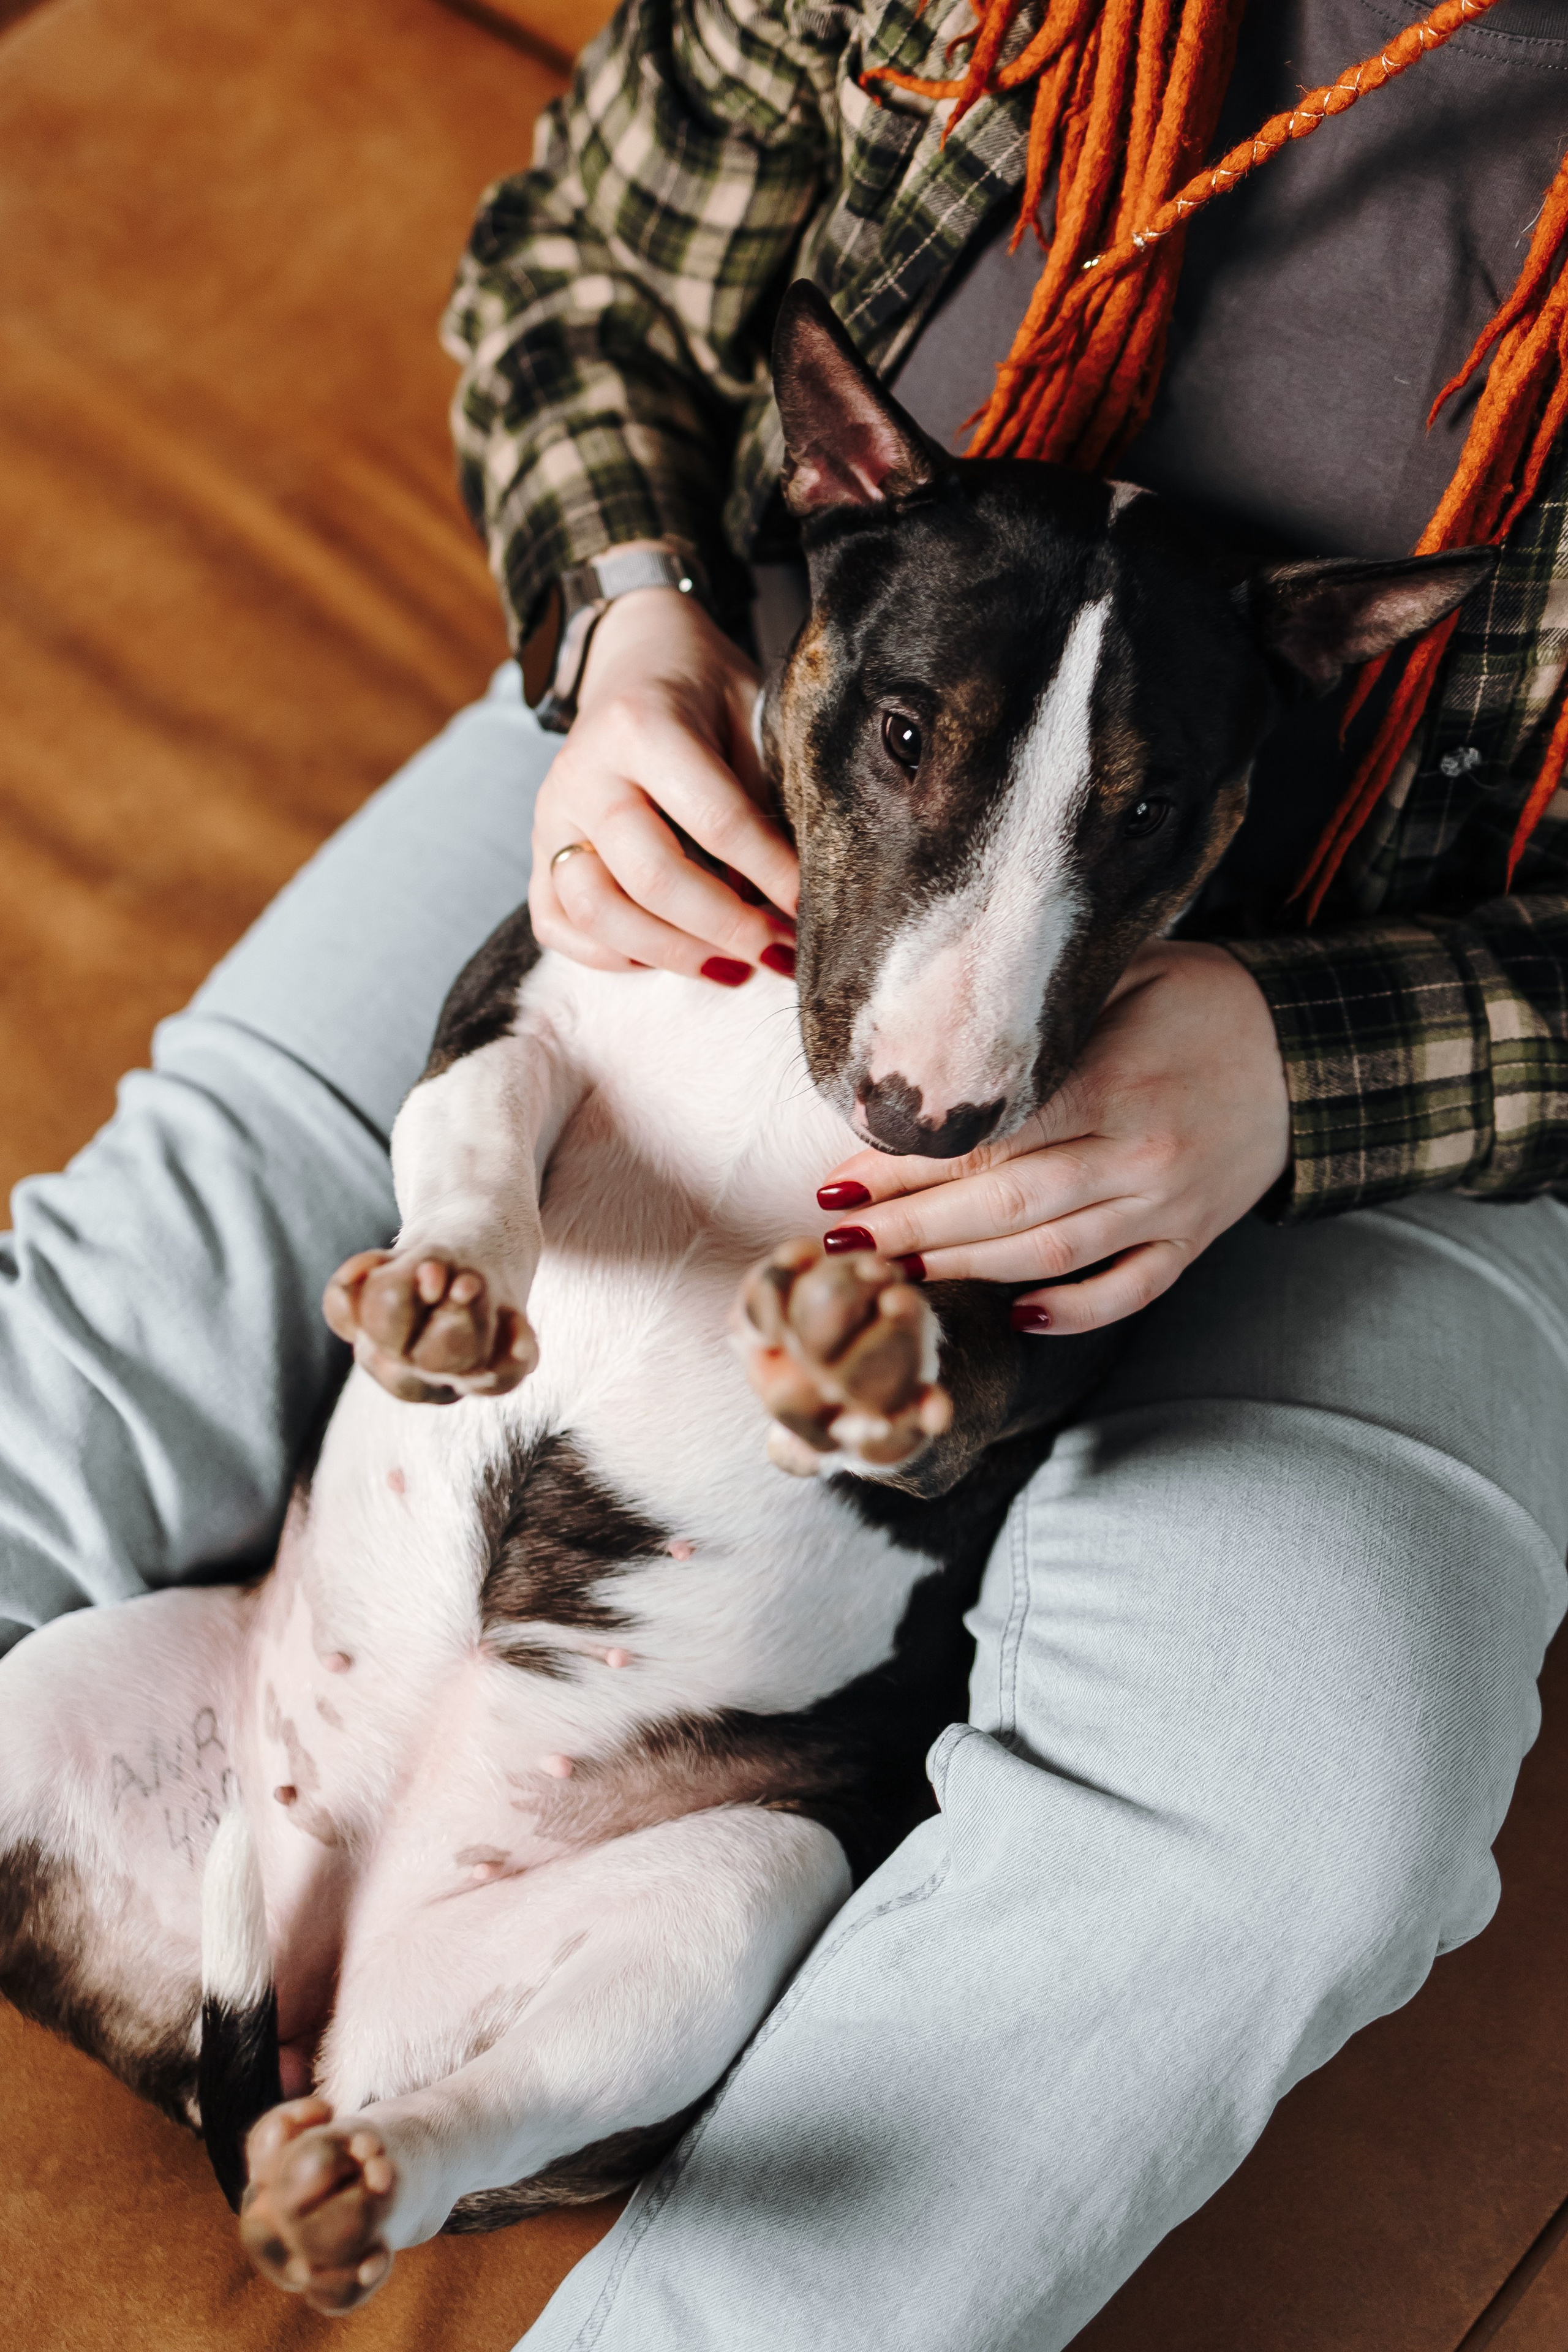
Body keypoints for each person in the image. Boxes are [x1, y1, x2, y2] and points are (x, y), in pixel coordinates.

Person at [5, 0, 1568, 2345]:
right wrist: (631, 619)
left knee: (1291, 1795)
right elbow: (585, 276)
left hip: (1441, 1002)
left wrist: (1319, 1064)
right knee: (98, 1333)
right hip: (763, 713)